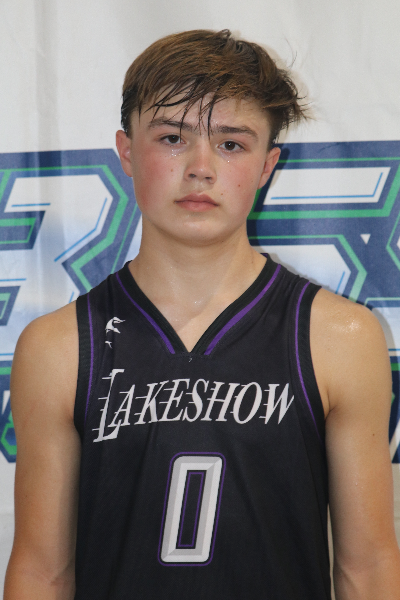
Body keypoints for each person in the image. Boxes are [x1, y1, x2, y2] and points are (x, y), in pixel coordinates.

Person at [4, 29, 400, 600]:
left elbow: (367, 569)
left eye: (231, 144)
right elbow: (42, 572)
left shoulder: (338, 337)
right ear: (126, 152)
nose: (201, 167)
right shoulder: (58, 347)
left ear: (267, 165)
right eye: (172, 138)